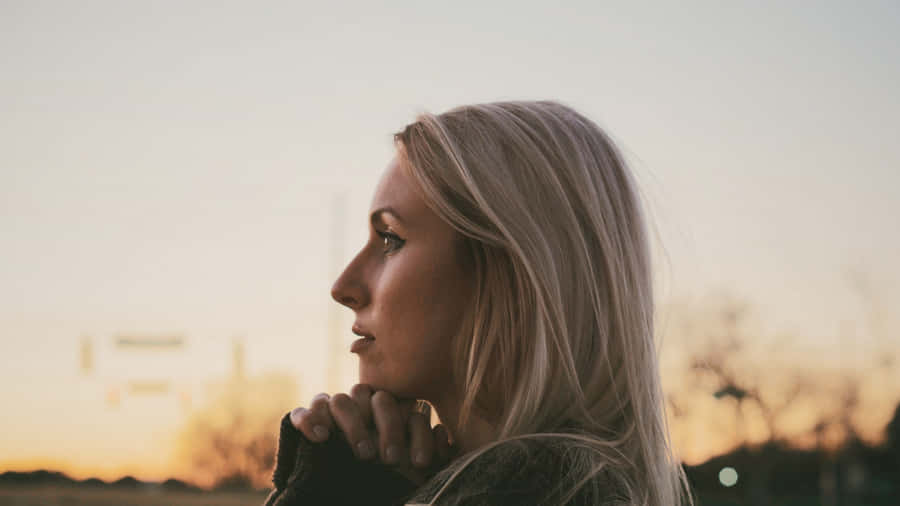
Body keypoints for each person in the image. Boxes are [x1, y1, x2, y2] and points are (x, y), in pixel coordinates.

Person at [262, 101, 693, 506]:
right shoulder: (568, 486)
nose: (344, 286)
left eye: (391, 238)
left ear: (512, 274)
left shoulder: (525, 489)